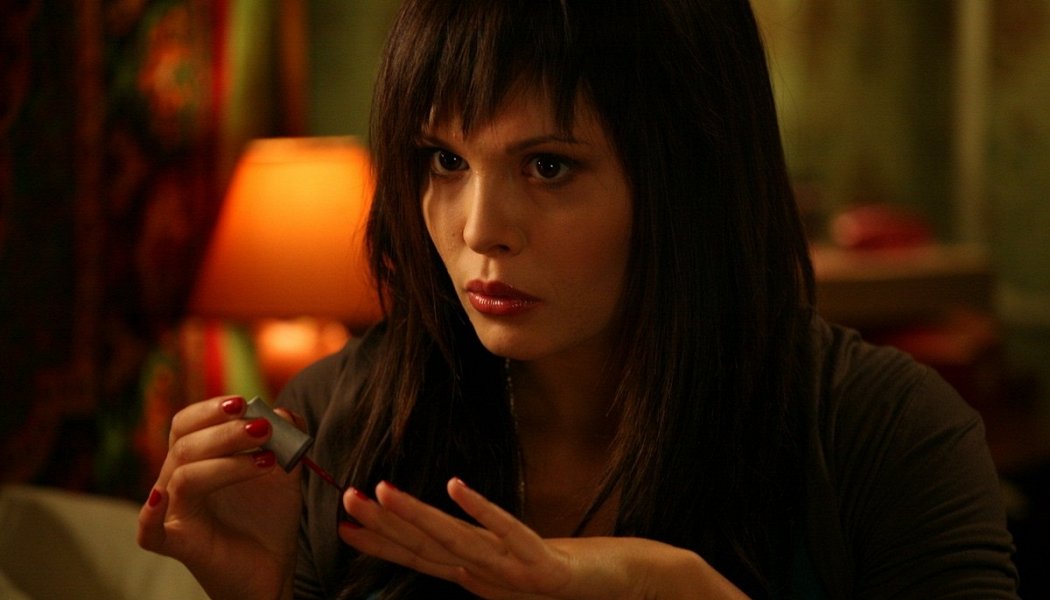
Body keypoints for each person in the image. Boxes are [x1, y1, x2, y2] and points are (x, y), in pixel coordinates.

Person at [137, 0, 1019, 598]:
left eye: (549, 166)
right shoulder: (344, 416)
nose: (481, 228)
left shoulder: (883, 435)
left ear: (690, 180)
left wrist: (685, 593)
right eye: (445, 160)